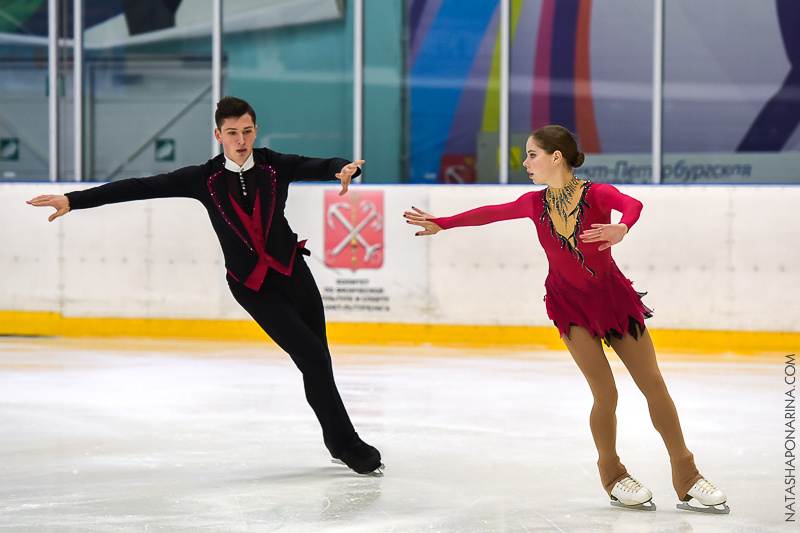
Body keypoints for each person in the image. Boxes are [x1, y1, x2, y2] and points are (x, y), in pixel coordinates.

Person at [28, 96, 383, 476]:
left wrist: (345, 169)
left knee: (317, 359)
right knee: (311, 356)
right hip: (251, 286)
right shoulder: (204, 178)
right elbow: (139, 186)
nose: (241, 140)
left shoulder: (274, 165)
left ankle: (335, 438)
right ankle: (347, 443)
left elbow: (321, 165)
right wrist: (73, 199)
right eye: (232, 133)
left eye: (247, 131)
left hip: (293, 272)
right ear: (218, 135)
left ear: (255, 130)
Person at [404, 125, 728, 513]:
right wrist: (445, 222)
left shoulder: (597, 194)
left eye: (532, 155)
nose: (525, 163)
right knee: (605, 391)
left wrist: (622, 227)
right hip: (569, 306)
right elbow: (490, 213)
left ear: (556, 156)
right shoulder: (532, 203)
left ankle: (686, 474)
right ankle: (613, 475)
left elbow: (632, 204)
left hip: (613, 300)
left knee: (652, 382)